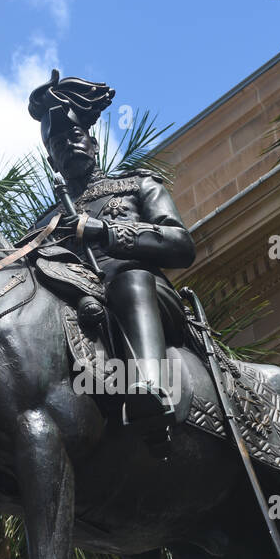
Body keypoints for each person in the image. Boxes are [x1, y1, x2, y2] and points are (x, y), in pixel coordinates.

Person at [27, 71, 196, 435]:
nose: (67, 145)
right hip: (79, 308)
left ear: (93, 144)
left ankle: (150, 390)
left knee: (130, 282)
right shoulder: (44, 224)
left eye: (74, 136)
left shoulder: (137, 185)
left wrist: (105, 232)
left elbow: (181, 245)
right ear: (52, 162)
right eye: (57, 144)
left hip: (145, 294)